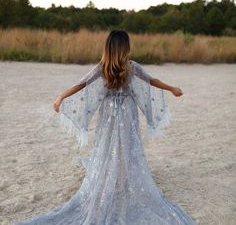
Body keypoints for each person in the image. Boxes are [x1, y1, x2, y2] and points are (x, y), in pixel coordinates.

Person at [15, 29, 196, 224]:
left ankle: (118, 178)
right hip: (126, 112)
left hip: (109, 113)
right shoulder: (131, 66)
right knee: (125, 143)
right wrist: (171, 88)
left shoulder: (104, 67)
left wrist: (61, 97)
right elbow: (152, 81)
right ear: (125, 48)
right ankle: (121, 179)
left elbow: (81, 84)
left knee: (110, 143)